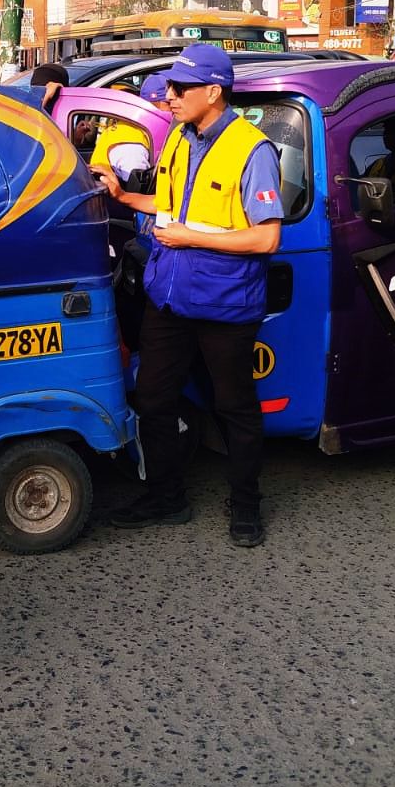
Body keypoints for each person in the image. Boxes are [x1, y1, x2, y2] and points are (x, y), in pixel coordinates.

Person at [92, 43, 283, 548]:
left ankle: (246, 507)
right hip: (169, 296)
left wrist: (191, 238)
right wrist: (127, 197)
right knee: (153, 397)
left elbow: (266, 238)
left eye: (180, 88)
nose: (170, 97)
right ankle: (165, 497)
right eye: (170, 88)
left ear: (213, 92)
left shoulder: (252, 149)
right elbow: (171, 205)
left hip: (225, 304)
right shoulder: (179, 138)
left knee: (235, 407)